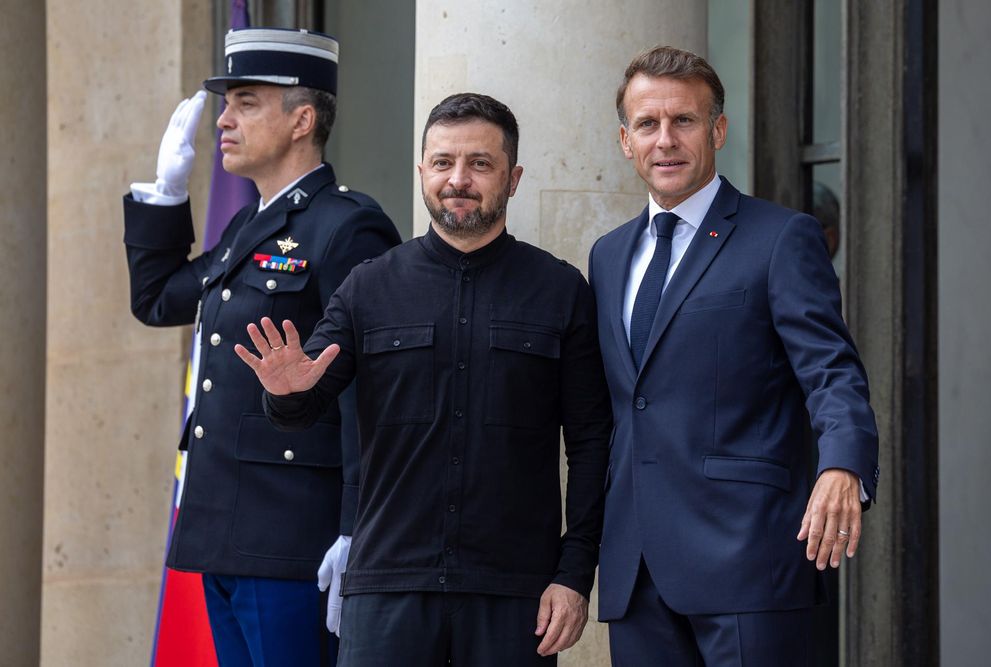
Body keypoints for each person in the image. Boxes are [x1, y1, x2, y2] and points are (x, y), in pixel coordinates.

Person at [234, 92, 611, 666]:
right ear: (421, 173)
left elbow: (590, 444)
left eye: (480, 164)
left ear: (513, 178)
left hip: (514, 594)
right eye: (442, 162)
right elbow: (305, 406)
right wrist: (286, 393)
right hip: (387, 588)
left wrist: (574, 572)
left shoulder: (562, 291)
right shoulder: (367, 287)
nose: (458, 179)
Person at [588, 46, 880, 665]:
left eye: (684, 121)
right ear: (624, 140)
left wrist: (843, 464)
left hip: (749, 561)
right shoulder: (608, 256)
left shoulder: (781, 238)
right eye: (647, 124)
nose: (665, 140)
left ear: (718, 129)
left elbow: (831, 370)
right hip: (636, 570)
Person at [123, 27, 400, 665]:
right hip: (223, 532)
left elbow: (368, 390)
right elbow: (161, 298)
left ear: (302, 118)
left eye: (246, 102)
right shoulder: (250, 225)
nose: (224, 119)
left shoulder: (347, 225)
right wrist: (165, 197)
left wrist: (358, 529)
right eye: (227, 102)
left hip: (293, 539)